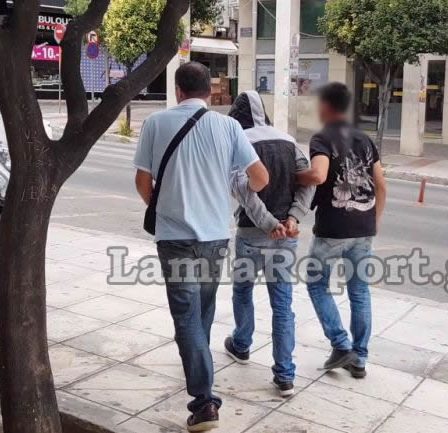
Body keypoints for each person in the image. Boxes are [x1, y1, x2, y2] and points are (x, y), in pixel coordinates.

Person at [133, 62, 269, 432]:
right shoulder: (229, 127)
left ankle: (204, 400)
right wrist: (231, 188)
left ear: (178, 90)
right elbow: (260, 178)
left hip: (174, 239)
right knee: (202, 310)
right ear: (209, 92)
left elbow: (143, 181)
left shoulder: (155, 123)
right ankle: (200, 368)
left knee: (187, 316)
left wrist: (160, 206)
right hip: (214, 238)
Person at [222, 90, 315, 397]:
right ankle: (285, 375)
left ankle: (241, 344)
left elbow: (244, 192)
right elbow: (308, 182)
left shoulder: (239, 142)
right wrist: (293, 218)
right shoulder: (288, 141)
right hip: (286, 237)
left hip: (251, 234)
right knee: (283, 304)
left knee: (242, 291)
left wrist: (268, 223)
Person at [297, 82, 387, 379]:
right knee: (359, 290)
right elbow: (381, 184)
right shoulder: (364, 139)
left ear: (325, 106)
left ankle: (340, 344)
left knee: (316, 284)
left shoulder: (322, 138)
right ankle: (359, 358)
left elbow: (318, 175)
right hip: (364, 227)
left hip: (333, 229)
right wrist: (375, 220)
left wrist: (294, 176)